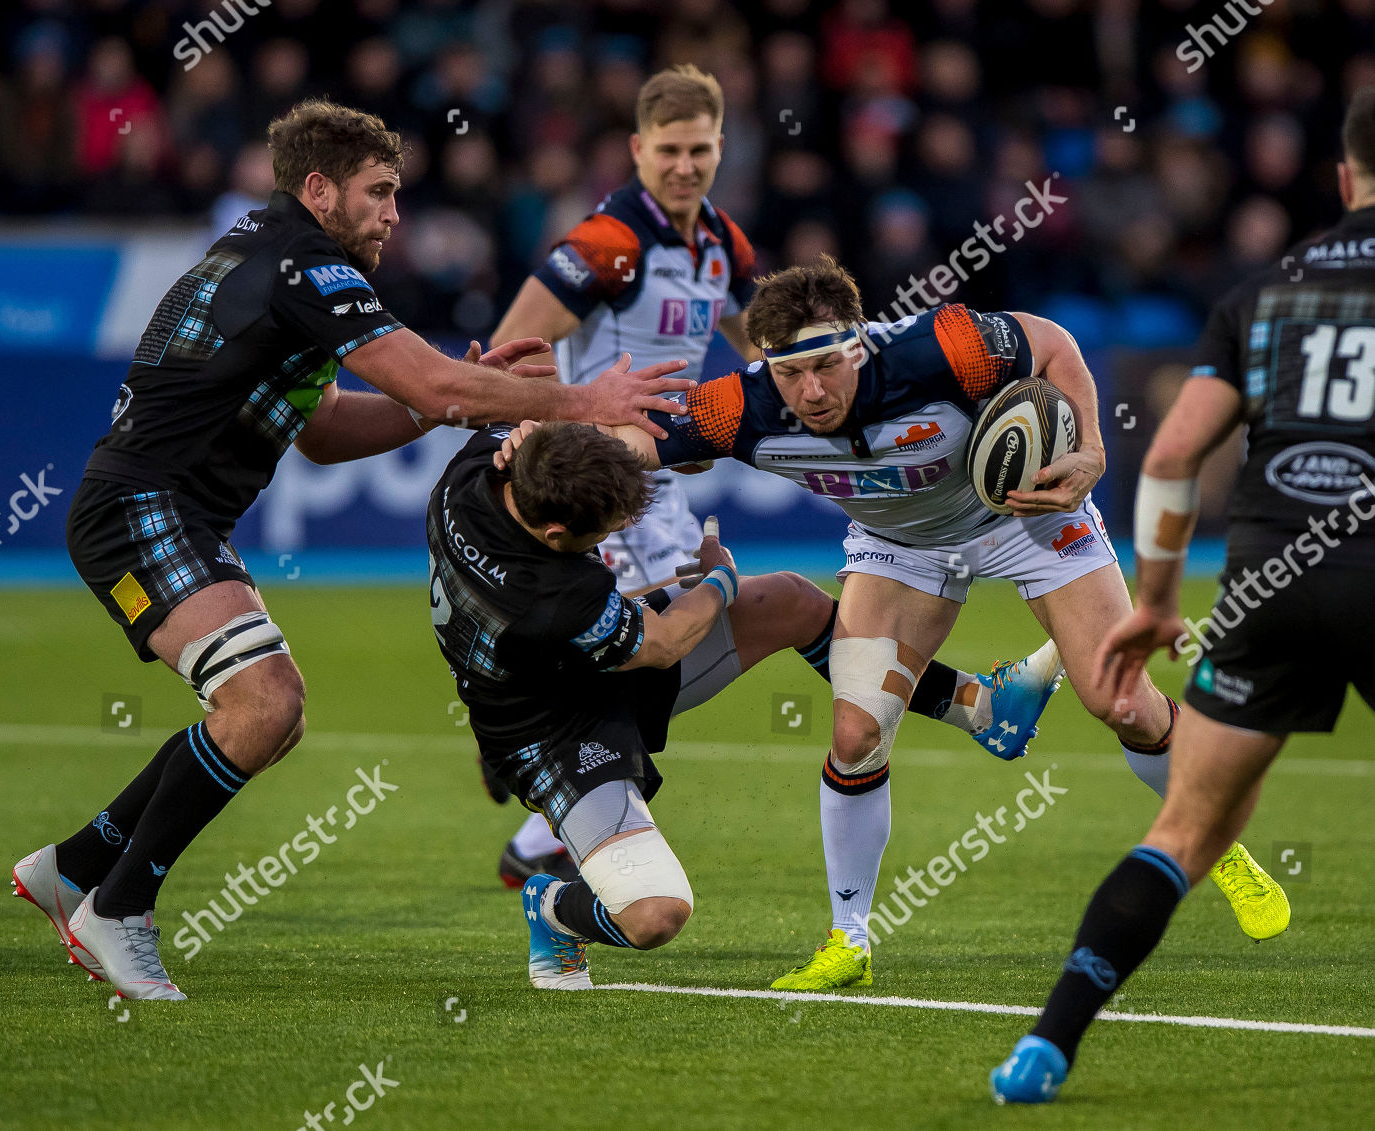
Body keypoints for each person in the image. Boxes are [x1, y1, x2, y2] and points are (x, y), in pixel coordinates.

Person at [10, 99, 693, 1001]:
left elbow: (326, 429)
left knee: (276, 717)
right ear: (321, 189)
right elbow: (439, 386)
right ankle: (118, 906)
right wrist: (580, 403)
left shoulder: (267, 251)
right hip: (142, 508)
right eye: (378, 193)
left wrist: (453, 390)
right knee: (263, 702)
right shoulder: (306, 265)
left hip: (160, 511)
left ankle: (74, 864)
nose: (394, 214)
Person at [592, 255, 1291, 991]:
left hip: (1025, 517)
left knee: (1121, 702)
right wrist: (556, 442)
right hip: (900, 549)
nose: (813, 390)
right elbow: (634, 444)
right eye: (791, 374)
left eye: (827, 364)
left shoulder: (940, 347)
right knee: (856, 734)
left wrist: (1089, 447)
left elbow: (1051, 343)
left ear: (858, 343)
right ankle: (849, 939)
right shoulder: (741, 405)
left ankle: (1218, 845)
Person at [988, 88, 1375, 1105]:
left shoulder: (1266, 292)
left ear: (1342, 180)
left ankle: (1046, 1049)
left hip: (1269, 583)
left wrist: (1156, 600)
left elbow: (1168, 455)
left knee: (1182, 838)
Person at [428, 420, 1064, 988]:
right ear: (555, 531)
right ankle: (551, 909)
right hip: (548, 730)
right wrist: (718, 580)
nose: (623, 529)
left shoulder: (475, 469)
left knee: (790, 600)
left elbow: (541, 429)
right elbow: (665, 643)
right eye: (611, 526)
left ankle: (983, 709)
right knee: (654, 917)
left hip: (568, 659)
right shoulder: (555, 592)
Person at [483, 64, 761, 885]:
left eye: (700, 150)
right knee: (661, 642)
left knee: (672, 644)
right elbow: (513, 348)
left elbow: (764, 354)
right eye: (669, 149)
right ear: (638, 149)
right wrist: (556, 445)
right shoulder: (608, 243)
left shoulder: (722, 246)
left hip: (663, 477)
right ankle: (562, 803)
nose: (685, 165)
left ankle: (545, 817)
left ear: (721, 147)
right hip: (600, 481)